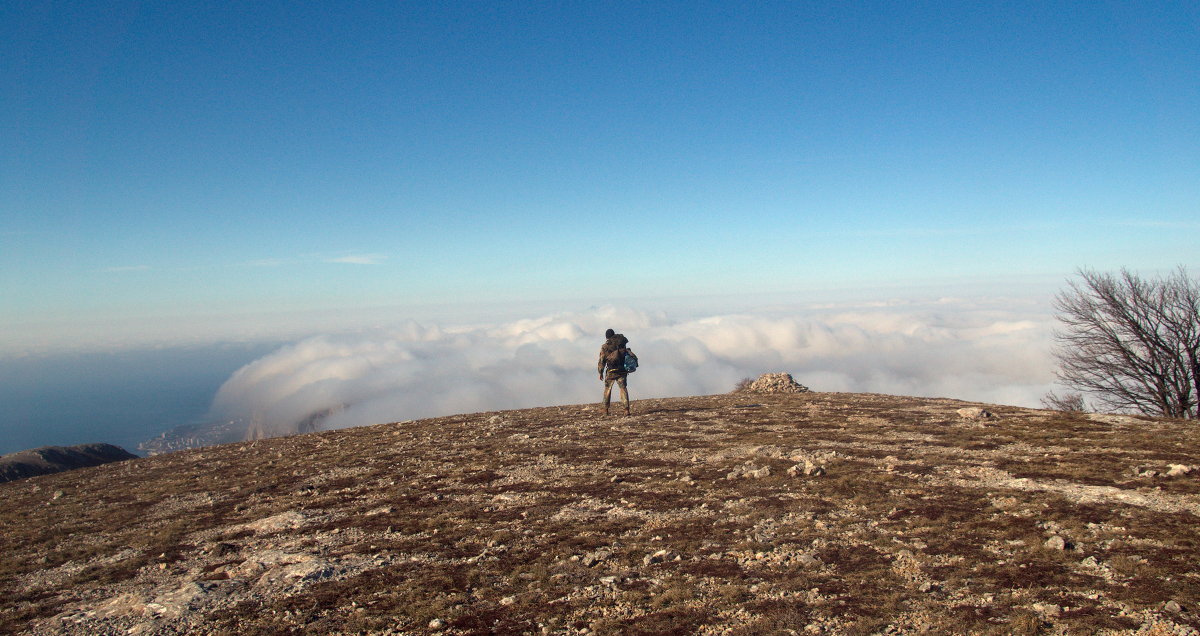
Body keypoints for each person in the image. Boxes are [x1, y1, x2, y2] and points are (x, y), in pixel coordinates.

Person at [597, 328, 637, 416]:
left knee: (607, 389)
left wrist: (600, 372)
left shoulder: (605, 346)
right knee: (623, 388)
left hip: (611, 371)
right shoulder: (621, 344)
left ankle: (605, 409)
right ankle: (626, 409)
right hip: (622, 370)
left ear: (606, 337)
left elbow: (602, 361)